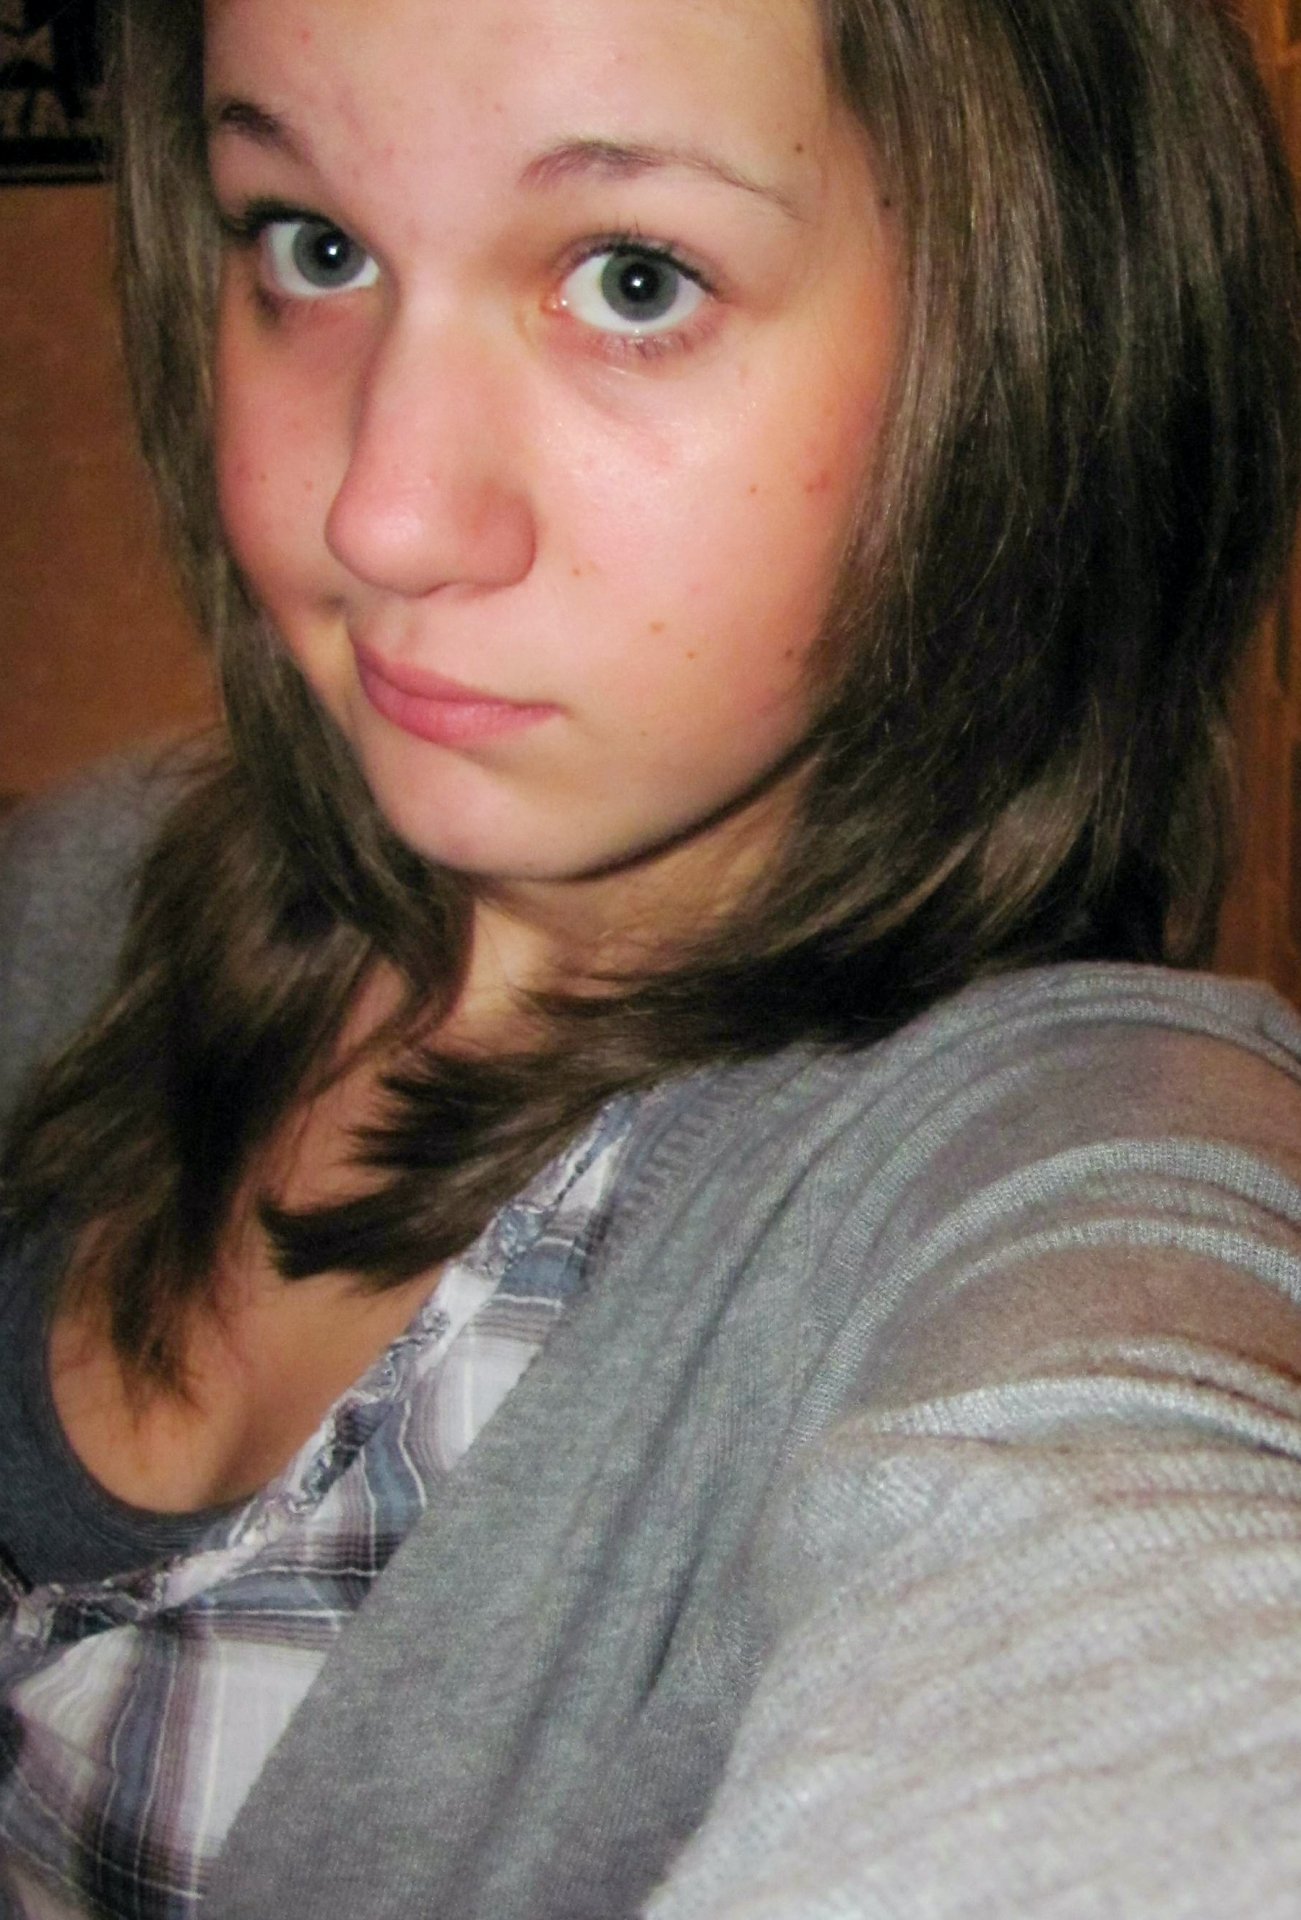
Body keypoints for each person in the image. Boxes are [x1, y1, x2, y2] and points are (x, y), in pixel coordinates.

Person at [2, 0, 1301, 1911]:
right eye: (316, 245)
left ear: (1036, 338)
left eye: (632, 279)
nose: (381, 516)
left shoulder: (1051, 1156)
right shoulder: (74, 894)